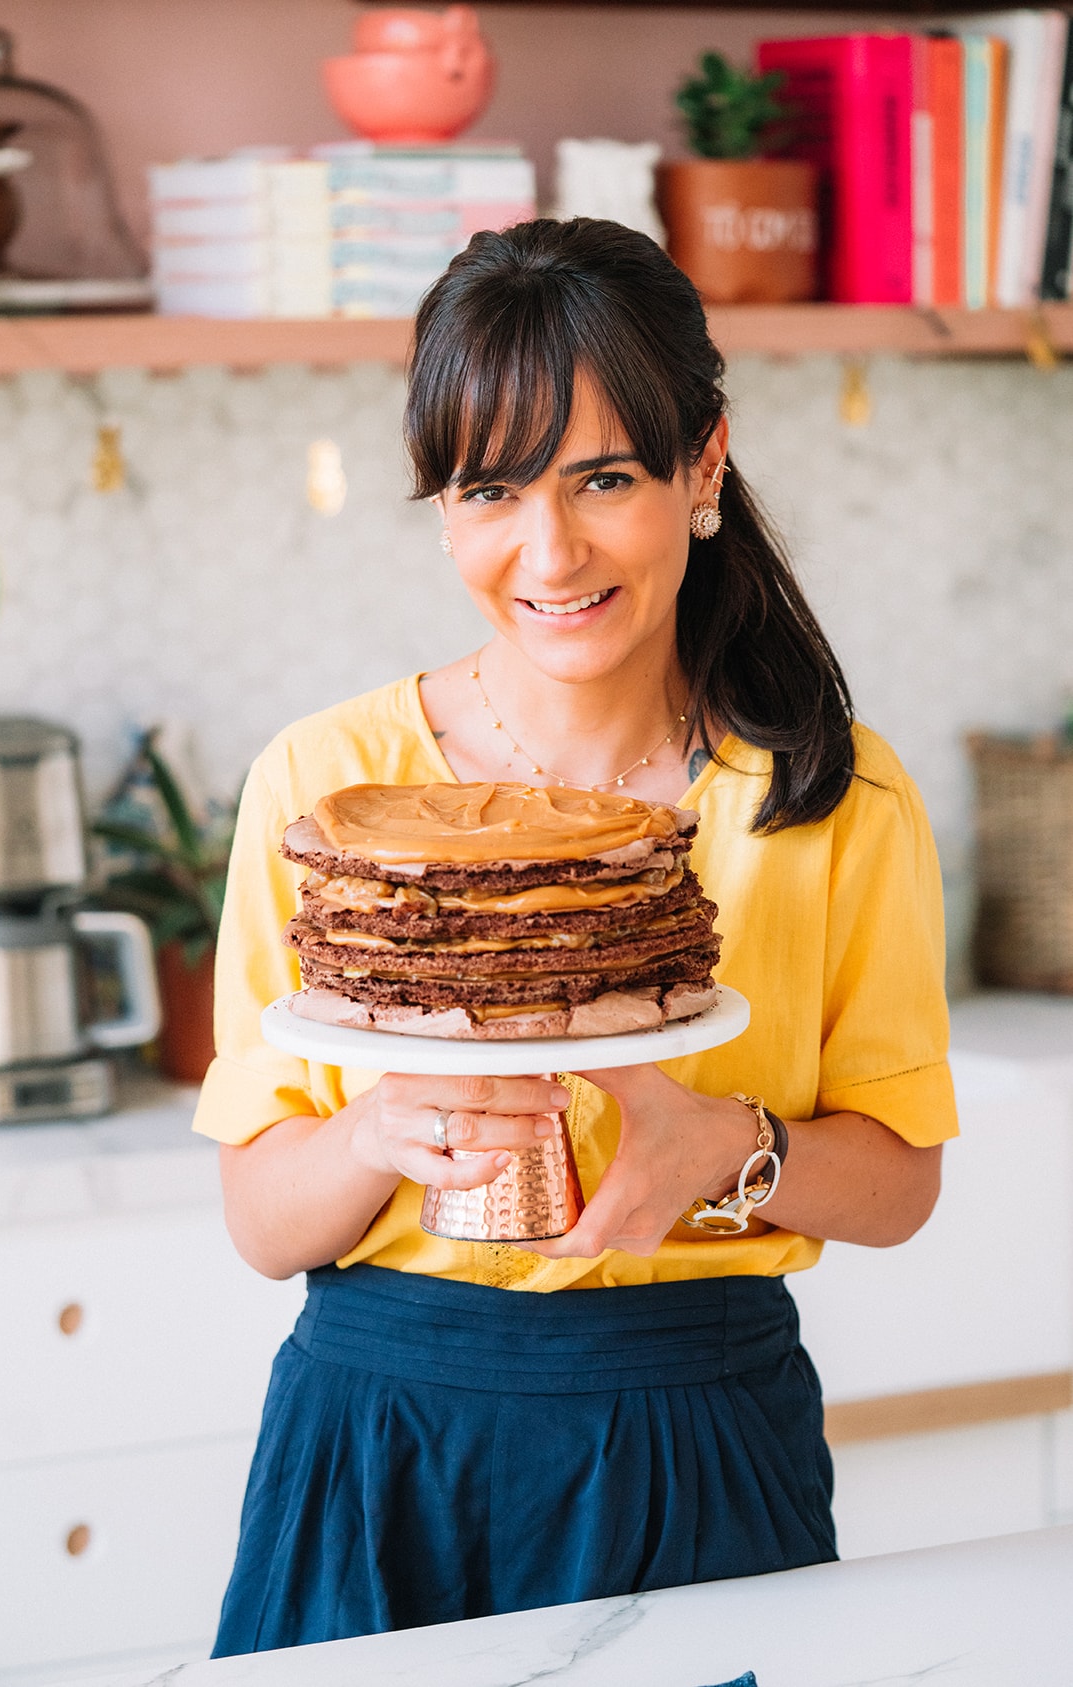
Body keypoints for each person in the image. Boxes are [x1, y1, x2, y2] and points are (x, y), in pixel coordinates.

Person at [194, 218, 957, 1657]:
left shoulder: (828, 795)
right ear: (442, 509)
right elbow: (257, 1221)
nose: (549, 551)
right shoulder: (327, 790)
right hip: (382, 1437)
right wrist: (377, 1136)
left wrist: (731, 1148)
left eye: (603, 478)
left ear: (702, 466)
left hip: (700, 1435)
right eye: (492, 489)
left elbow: (898, 1184)